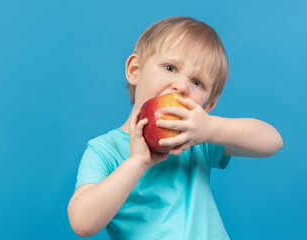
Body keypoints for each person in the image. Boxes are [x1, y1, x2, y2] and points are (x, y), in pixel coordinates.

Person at [68, 16, 283, 239]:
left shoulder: (197, 140)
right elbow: (83, 222)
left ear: (207, 106)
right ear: (135, 70)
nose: (181, 86)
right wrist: (137, 163)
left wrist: (210, 128)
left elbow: (272, 141)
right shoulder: (104, 149)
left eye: (197, 82)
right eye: (170, 68)